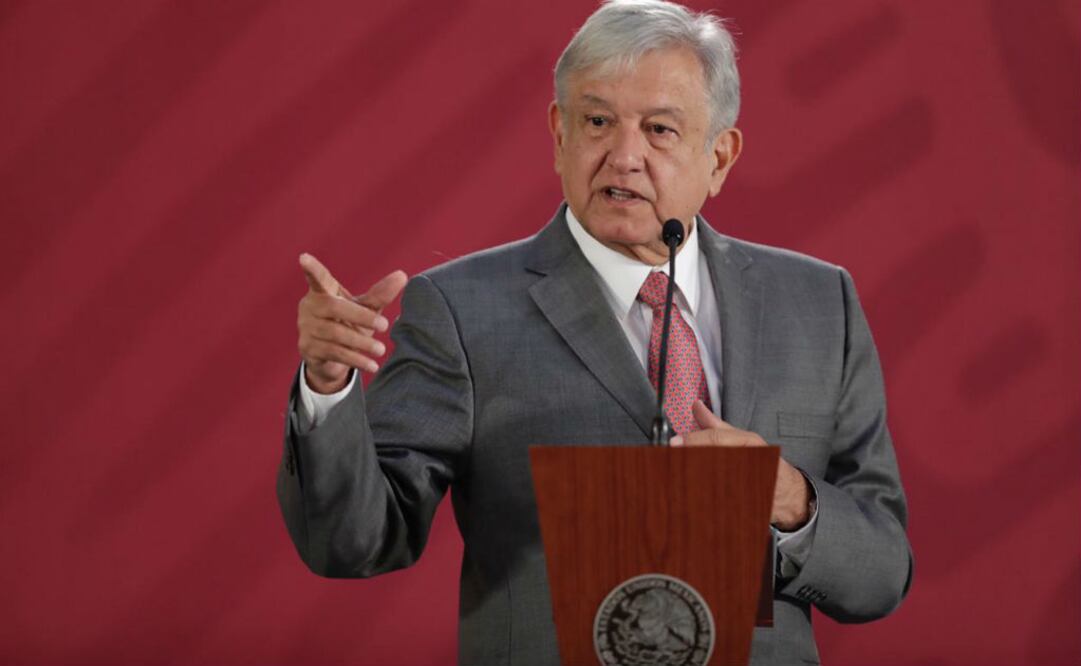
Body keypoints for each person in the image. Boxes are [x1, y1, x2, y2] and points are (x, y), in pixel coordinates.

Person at [277, 1, 913, 664]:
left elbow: (879, 573)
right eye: (598, 121)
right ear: (559, 134)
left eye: (660, 129)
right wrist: (329, 387)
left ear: (719, 156)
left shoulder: (815, 303)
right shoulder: (464, 311)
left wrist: (785, 499)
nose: (624, 156)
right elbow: (351, 542)